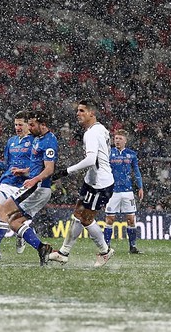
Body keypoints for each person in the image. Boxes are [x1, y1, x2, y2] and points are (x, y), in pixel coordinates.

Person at [0, 110, 57, 266]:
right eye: (16, 124)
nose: (20, 127)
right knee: (9, 220)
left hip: (30, 185)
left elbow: (48, 168)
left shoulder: (40, 140)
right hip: (15, 183)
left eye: (25, 124)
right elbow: (10, 166)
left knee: (4, 211)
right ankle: (42, 248)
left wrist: (31, 177)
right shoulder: (16, 141)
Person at [49, 99, 115, 267]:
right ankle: (63, 253)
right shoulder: (101, 129)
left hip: (100, 184)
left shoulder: (91, 133)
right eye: (77, 110)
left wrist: (65, 171)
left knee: (85, 219)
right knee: (78, 215)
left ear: (91, 113)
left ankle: (105, 251)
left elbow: (91, 159)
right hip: (92, 181)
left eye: (81, 111)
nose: (77, 114)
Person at [0, 110, 34, 257]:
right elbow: (7, 166)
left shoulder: (34, 141)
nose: (17, 127)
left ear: (28, 125)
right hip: (7, 182)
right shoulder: (11, 142)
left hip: (23, 185)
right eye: (15, 124)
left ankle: (21, 233)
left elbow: (37, 167)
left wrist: (24, 171)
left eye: (20, 124)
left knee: (13, 220)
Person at [103, 129, 144, 254]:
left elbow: (136, 172)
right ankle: (106, 247)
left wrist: (140, 187)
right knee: (110, 218)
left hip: (128, 191)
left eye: (120, 138)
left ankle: (133, 246)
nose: (117, 141)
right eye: (116, 138)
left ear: (125, 140)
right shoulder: (108, 153)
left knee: (131, 219)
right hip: (112, 191)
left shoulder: (131, 154)